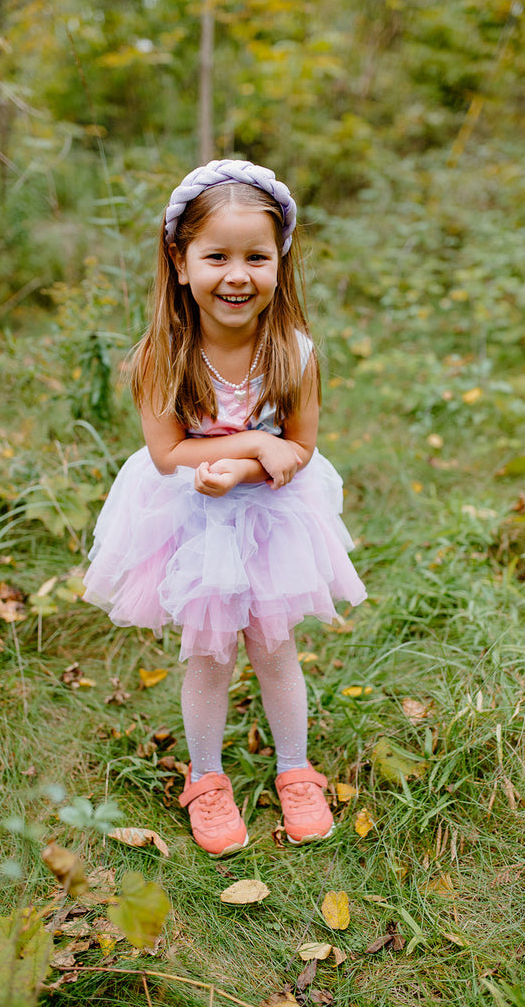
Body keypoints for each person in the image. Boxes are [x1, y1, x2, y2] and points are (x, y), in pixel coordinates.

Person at [83, 159, 366, 856]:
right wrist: (245, 447)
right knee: (208, 655)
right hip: (191, 516)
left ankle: (294, 768)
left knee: (274, 646)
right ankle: (205, 779)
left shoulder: (294, 353)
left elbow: (297, 449)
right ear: (180, 263)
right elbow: (165, 454)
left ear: (279, 263)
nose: (236, 275)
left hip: (271, 518)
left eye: (255, 257)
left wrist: (260, 462)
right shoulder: (161, 353)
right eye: (216, 256)